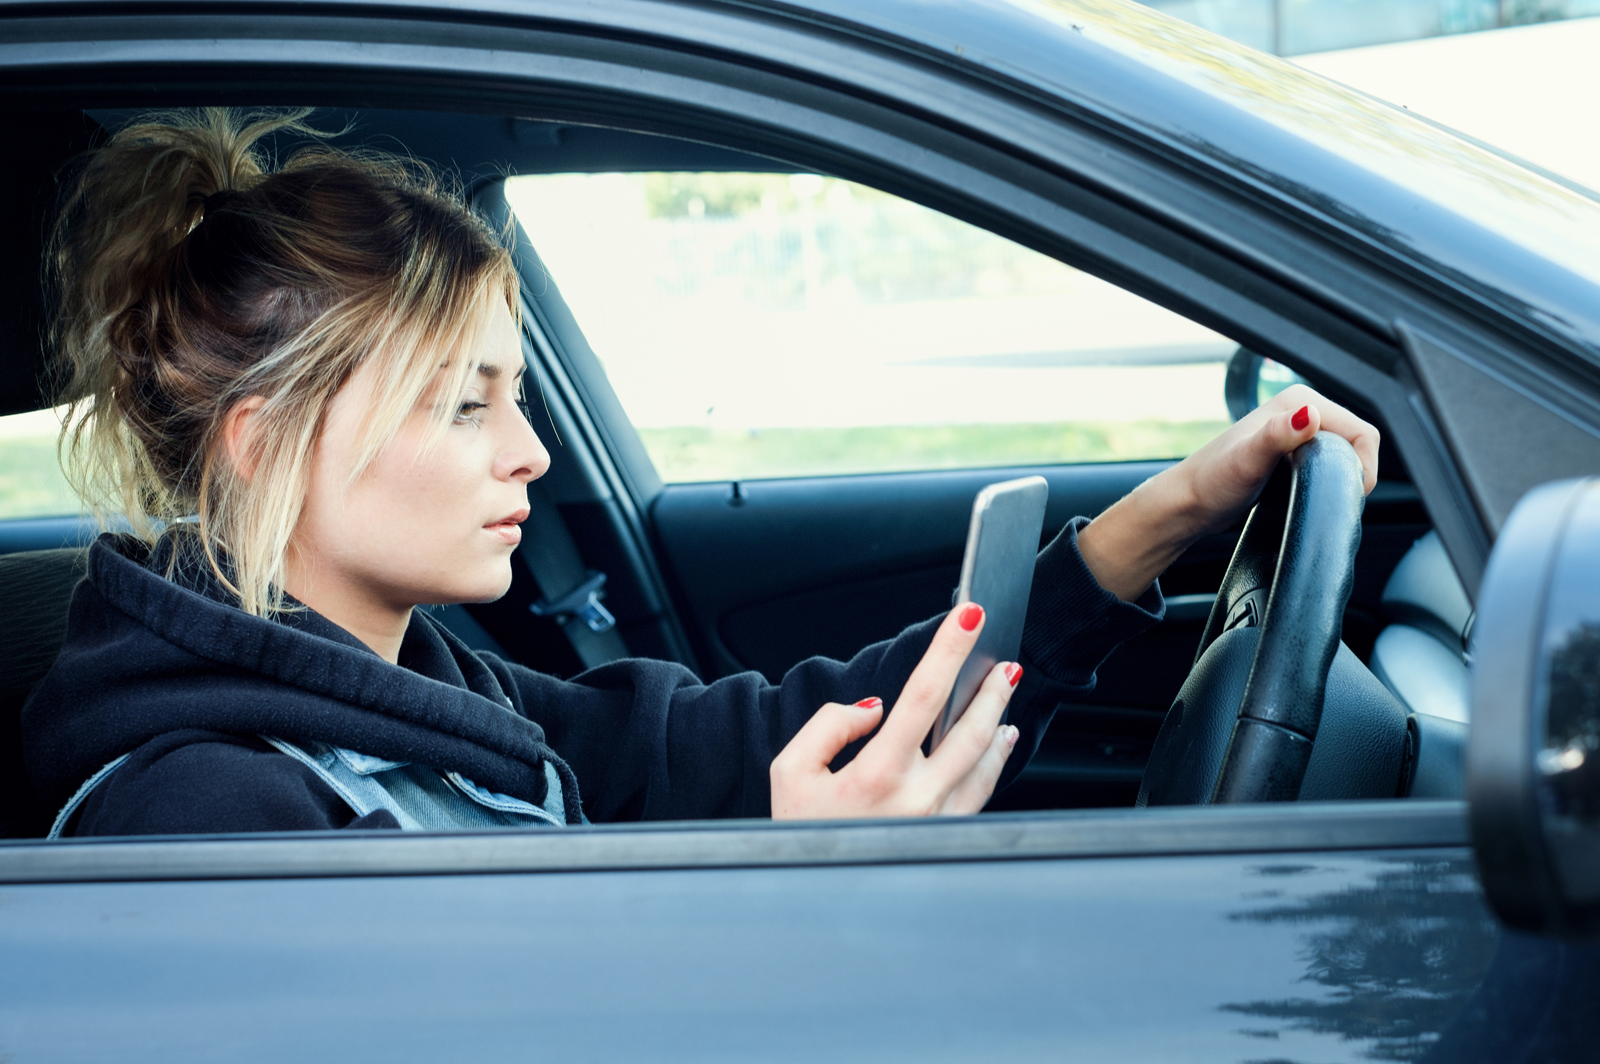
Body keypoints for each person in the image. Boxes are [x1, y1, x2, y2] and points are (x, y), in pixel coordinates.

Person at [20, 109, 1381, 837]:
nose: (529, 452)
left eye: (518, 395)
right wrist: (804, 900)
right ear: (265, 444)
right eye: (460, 405)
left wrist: (1156, 524)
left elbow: (747, 734)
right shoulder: (204, 808)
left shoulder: (431, 686)